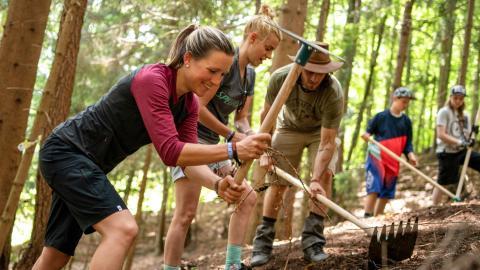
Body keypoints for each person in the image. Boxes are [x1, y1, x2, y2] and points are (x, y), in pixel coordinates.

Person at [32, 25, 271, 270]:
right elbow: (170, 151)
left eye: (222, 74)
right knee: (122, 229)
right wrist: (232, 149)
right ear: (188, 59)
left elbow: (186, 161)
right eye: (212, 71)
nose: (215, 81)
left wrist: (217, 184)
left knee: (56, 255)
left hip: (86, 164)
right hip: (66, 152)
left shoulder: (188, 105)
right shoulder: (153, 80)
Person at [167, 6, 281, 270]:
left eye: (272, 51)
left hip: (219, 145)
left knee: (247, 196)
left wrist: (256, 141)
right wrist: (231, 136)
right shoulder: (222, 67)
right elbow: (196, 109)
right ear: (252, 38)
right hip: (191, 140)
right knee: (185, 214)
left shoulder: (249, 76)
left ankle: (232, 264)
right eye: (267, 48)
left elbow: (242, 119)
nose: (268, 56)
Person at [250, 42, 344, 266]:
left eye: (320, 73)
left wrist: (314, 179)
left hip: (318, 133)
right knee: (278, 181)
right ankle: (263, 243)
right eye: (310, 71)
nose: (314, 78)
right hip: (287, 128)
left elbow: (327, 142)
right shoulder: (280, 78)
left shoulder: (333, 92)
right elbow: (267, 114)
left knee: (324, 176)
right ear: (300, 66)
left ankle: (313, 241)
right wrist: (265, 149)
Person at [361, 87, 418, 217]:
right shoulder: (381, 117)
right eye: (403, 101)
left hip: (393, 160)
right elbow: (368, 132)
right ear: (394, 98)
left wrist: (410, 155)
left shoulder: (406, 122)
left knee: (387, 190)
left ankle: (377, 218)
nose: (405, 105)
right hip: (377, 156)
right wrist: (366, 136)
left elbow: (407, 144)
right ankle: (367, 216)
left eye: (407, 102)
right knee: (374, 185)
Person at [432, 85, 480, 205]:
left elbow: (467, 136)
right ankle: (434, 207)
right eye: (455, 98)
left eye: (461, 98)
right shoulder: (444, 112)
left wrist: (473, 134)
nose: (458, 101)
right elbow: (441, 134)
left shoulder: (465, 115)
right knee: (443, 182)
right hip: (447, 152)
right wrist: (460, 142)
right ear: (451, 97)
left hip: (462, 151)